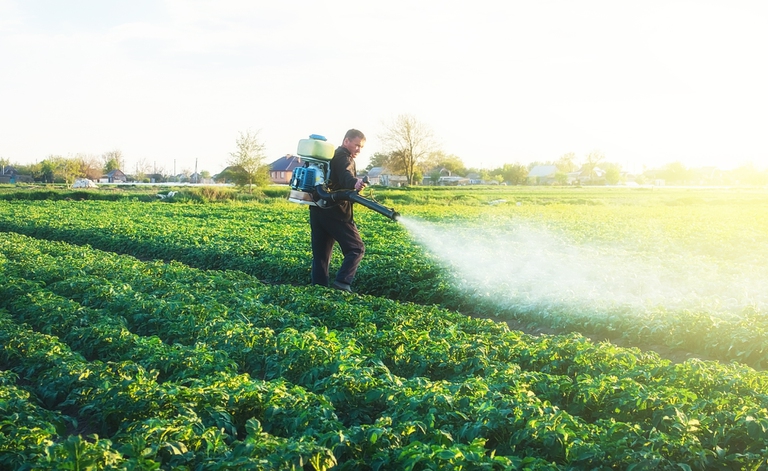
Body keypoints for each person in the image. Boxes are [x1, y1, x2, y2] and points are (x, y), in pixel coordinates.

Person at [309, 129, 368, 292]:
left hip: (318, 209)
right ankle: (342, 283)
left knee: (321, 256)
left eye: (361, 147)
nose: (358, 150)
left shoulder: (330, 156)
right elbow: (345, 175)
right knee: (356, 248)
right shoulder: (344, 157)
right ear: (346, 141)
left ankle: (318, 291)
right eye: (357, 145)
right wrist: (355, 183)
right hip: (336, 212)